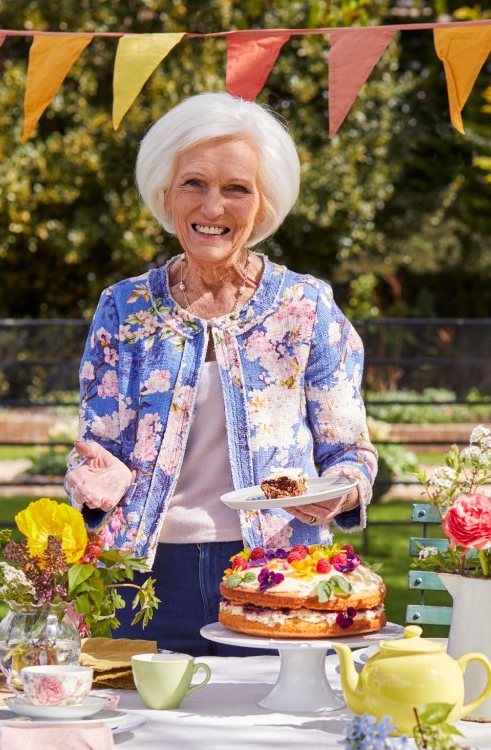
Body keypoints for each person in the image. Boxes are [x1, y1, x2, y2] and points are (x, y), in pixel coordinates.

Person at [63, 92, 378, 655]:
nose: (213, 207)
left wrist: (340, 492)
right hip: (143, 577)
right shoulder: (124, 308)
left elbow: (351, 454)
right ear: (166, 193)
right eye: (194, 184)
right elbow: (94, 452)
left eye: (236, 188)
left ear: (263, 204)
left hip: (281, 575)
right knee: (144, 736)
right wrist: (91, 486)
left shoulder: (305, 307)